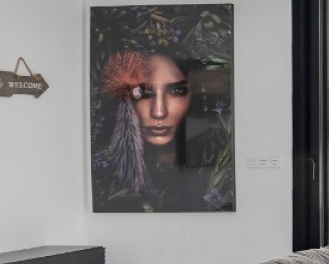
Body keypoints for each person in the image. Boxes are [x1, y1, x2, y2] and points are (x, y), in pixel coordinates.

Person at [95, 49, 232, 212]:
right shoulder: (103, 177)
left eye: (176, 91)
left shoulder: (219, 167)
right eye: (142, 93)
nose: (159, 112)